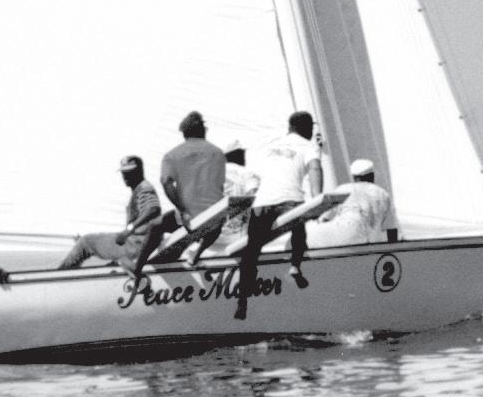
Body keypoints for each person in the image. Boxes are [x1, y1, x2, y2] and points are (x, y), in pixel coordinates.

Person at [235, 110, 322, 320]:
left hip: (262, 203)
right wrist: (318, 198)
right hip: (289, 201)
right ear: (307, 128)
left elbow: (254, 174)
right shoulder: (309, 146)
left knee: (251, 250)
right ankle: (295, 266)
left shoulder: (270, 147)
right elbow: (315, 169)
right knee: (298, 228)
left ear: (289, 127)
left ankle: (242, 300)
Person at [58, 156, 164, 274]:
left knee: (86, 242)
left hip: (137, 245)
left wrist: (129, 229)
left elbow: (153, 209)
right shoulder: (139, 189)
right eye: (123, 172)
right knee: (86, 241)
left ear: (140, 172)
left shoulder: (144, 188)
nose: (125, 176)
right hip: (137, 243)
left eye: (129, 172)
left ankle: (60, 276)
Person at [160, 111, 229, 264]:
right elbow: (220, 185)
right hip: (214, 216)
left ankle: (138, 268)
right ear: (203, 131)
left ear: (184, 133)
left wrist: (182, 210)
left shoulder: (172, 155)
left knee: (154, 226)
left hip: (188, 216)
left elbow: (166, 182)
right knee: (216, 220)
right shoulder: (217, 153)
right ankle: (199, 250)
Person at [309, 158, 393, 247]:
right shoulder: (383, 193)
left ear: (353, 177)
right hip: (370, 244)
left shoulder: (342, 189)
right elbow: (391, 228)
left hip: (341, 239)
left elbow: (324, 218)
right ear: (372, 176)